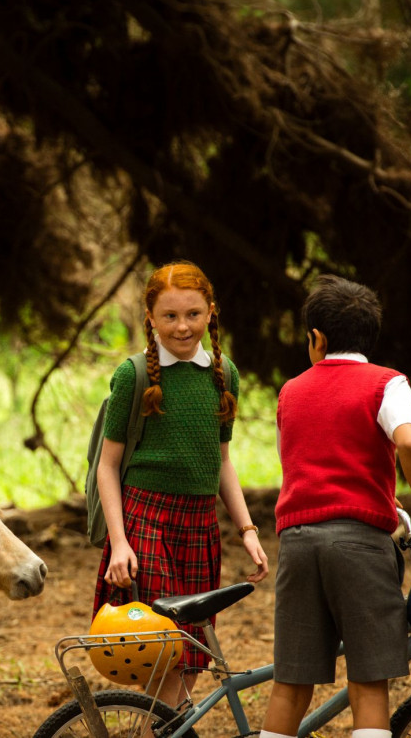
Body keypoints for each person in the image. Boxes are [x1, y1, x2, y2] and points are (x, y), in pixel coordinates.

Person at [93, 260, 269, 708]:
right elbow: (107, 466)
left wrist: (247, 531)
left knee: (190, 659)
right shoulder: (133, 376)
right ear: (150, 318)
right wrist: (119, 543)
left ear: (211, 312)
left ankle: (162, 730)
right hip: (145, 522)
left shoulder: (222, 374)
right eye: (169, 316)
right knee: (158, 655)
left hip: (199, 527)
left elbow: (222, 463)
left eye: (192, 314)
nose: (182, 327)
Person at [260, 275, 411, 738]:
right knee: (368, 683)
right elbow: (409, 439)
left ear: (317, 338)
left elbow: (292, 461)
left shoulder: (290, 392)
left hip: (297, 542)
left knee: (290, 684)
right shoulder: (386, 383)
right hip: (359, 543)